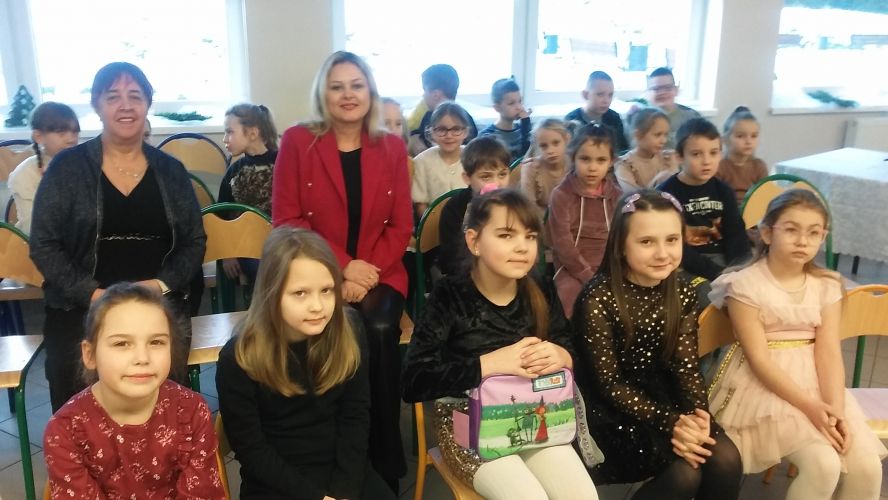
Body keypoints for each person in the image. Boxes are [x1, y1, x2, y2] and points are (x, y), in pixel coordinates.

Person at [30, 62, 206, 413]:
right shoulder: (67, 168)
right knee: (72, 379)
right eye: (113, 97)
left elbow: (194, 241)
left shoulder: (171, 170)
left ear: (148, 103)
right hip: (81, 305)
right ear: (96, 105)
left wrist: (160, 286)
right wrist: (94, 294)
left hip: (156, 301)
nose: (126, 105)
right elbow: (44, 245)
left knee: (161, 397)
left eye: (135, 96)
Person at [271, 50, 412, 490]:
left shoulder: (391, 147)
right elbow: (287, 220)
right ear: (323, 94)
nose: (348, 95)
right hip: (314, 270)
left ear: (370, 92)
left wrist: (365, 273)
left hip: (381, 270)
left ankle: (384, 455)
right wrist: (343, 268)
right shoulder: (298, 141)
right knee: (330, 327)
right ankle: (327, 454)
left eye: (356, 85)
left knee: (379, 327)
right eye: (337, 87)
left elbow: (401, 225)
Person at [402, 189, 599, 500]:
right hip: (468, 426)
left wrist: (562, 355)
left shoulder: (540, 286)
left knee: (582, 496)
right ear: (474, 241)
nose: (522, 246)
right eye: (506, 235)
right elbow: (414, 381)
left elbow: (571, 349)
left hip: (535, 414)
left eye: (530, 236)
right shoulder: (449, 295)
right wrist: (489, 365)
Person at [708, 189, 886, 500]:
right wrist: (810, 407)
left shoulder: (826, 284)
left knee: (868, 467)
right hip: (765, 386)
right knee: (823, 465)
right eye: (791, 230)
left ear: (823, 237)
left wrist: (835, 408)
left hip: (819, 384)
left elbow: (828, 352)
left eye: (814, 233)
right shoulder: (745, 285)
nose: (803, 241)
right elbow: (759, 360)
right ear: (767, 233)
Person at [573, 189, 742, 499]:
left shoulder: (682, 290)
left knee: (726, 460)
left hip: (664, 397)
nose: (663, 253)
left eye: (672, 240)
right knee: (685, 474)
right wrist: (672, 422)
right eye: (647, 242)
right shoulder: (597, 299)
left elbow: (686, 366)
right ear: (621, 245)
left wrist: (698, 418)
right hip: (611, 411)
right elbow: (608, 384)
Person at [216, 227, 396, 500]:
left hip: (342, 472)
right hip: (276, 483)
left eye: (326, 290)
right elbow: (253, 451)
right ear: (271, 293)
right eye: (300, 293)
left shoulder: (349, 331)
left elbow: (356, 417)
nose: (317, 306)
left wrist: (344, 490)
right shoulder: (239, 357)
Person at [43, 283, 225, 499]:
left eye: (156, 342)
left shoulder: (192, 411)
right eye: (122, 343)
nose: (142, 358)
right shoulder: (65, 430)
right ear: (90, 355)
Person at [657, 118, 750, 281]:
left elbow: (736, 234)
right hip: (685, 264)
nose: (707, 161)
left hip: (724, 259)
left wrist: (738, 269)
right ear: (679, 157)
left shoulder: (724, 190)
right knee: (708, 293)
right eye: (696, 154)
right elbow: (672, 244)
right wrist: (717, 274)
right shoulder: (666, 194)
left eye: (713, 153)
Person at [547, 123, 622, 318]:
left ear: (611, 161)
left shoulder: (617, 196)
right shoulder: (561, 195)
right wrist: (588, 275)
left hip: (611, 266)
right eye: (585, 159)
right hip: (571, 268)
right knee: (572, 303)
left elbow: (623, 237)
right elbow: (563, 244)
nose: (592, 167)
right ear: (573, 157)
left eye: (601, 160)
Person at [218, 102, 279, 285]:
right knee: (263, 267)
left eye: (230, 132)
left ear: (253, 133)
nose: (225, 139)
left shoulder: (283, 163)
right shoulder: (234, 171)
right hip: (247, 247)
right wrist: (227, 254)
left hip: (281, 242)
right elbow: (221, 216)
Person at [437, 136, 510, 276]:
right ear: (467, 178)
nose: (496, 183)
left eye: (502, 174)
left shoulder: (514, 205)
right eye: (486, 177)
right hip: (468, 276)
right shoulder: (455, 209)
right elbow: (450, 261)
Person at [7, 102, 80, 234]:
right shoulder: (25, 174)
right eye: (61, 132)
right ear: (39, 136)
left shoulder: (86, 166)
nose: (71, 139)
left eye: (75, 132)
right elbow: (33, 229)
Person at [411, 101, 472, 217]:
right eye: (441, 129)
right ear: (432, 131)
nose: (449, 136)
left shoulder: (475, 157)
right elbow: (420, 204)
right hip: (434, 223)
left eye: (456, 129)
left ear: (465, 132)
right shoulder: (421, 162)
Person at [408, 64, 478, 156]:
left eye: (424, 91)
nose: (423, 95)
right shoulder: (466, 117)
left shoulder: (429, 118)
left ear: (435, 95)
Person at [614, 108, 678, 194]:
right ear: (638, 135)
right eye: (657, 135)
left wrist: (674, 169)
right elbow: (633, 197)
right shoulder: (624, 164)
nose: (663, 140)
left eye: (665, 135)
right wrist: (659, 179)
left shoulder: (666, 158)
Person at [518, 118, 572, 221]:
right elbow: (528, 206)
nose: (550, 151)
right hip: (540, 221)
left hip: (572, 219)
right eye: (543, 146)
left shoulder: (574, 164)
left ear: (567, 139)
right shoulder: (530, 168)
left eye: (556, 143)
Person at [564, 71, 629, 155]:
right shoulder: (571, 119)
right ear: (585, 95)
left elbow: (621, 149)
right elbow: (568, 153)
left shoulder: (614, 118)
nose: (606, 100)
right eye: (600, 94)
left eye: (610, 95)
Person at [716, 106, 769, 206]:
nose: (748, 141)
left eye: (754, 136)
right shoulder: (719, 166)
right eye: (740, 136)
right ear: (725, 139)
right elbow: (714, 196)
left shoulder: (759, 166)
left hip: (752, 210)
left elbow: (764, 195)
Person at [645, 67, 701, 149]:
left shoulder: (692, 118)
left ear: (676, 90)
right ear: (647, 93)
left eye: (668, 88)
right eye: (656, 89)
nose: (662, 92)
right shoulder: (639, 119)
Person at [478, 78, 532, 162]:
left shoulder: (524, 129)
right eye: (511, 103)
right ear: (497, 108)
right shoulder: (487, 136)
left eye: (520, 101)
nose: (519, 107)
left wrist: (526, 125)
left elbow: (528, 158)